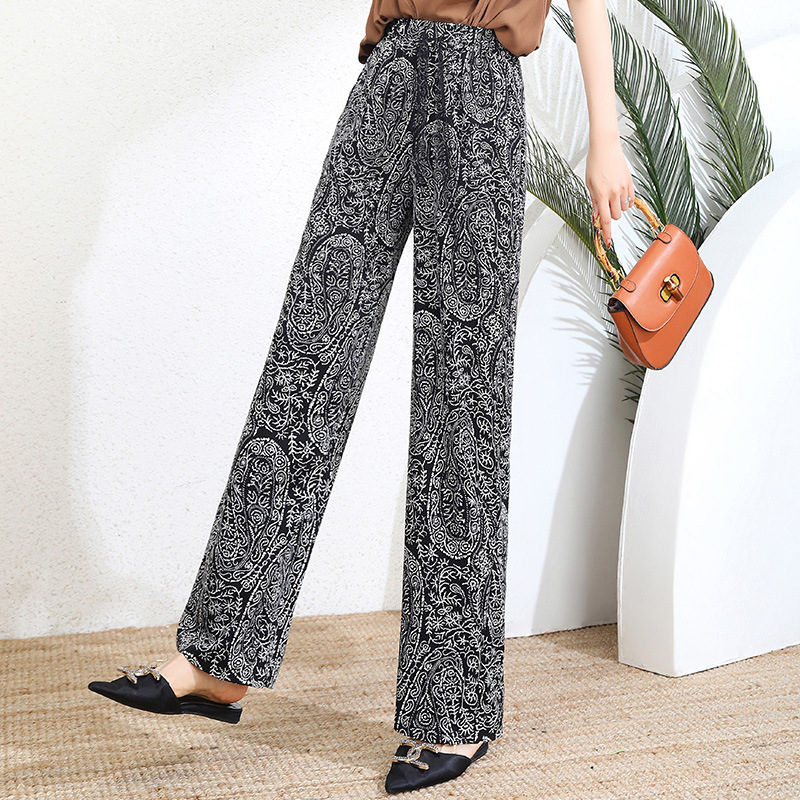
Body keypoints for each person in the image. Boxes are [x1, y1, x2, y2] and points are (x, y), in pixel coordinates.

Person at [88, 0, 636, 793]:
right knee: (307, 356)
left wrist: (605, 139)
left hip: (481, 89)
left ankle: (454, 712)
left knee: (463, 397)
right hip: (389, 71)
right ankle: (217, 660)